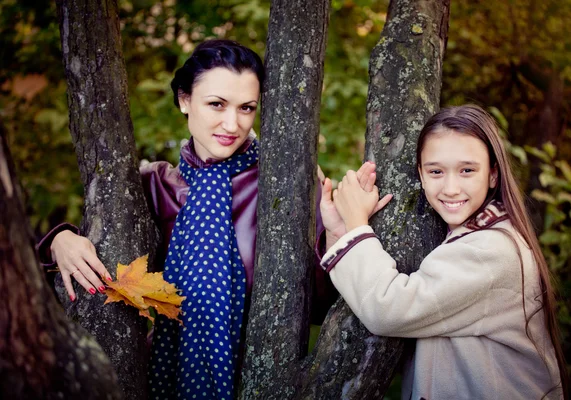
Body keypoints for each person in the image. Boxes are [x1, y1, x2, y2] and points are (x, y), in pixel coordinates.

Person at [37, 39, 387, 399]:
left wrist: (335, 235)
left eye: (247, 108)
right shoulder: (154, 185)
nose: (232, 123)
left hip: (262, 381)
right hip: (163, 376)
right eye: (216, 104)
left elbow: (318, 303)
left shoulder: (286, 182)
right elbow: (93, 254)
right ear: (184, 100)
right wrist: (60, 239)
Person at [319, 104, 568, 399]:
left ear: (492, 175)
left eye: (467, 170)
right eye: (436, 171)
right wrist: (341, 230)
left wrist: (358, 224)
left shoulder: (491, 250)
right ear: (421, 175)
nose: (450, 188)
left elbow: (389, 309)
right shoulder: (470, 234)